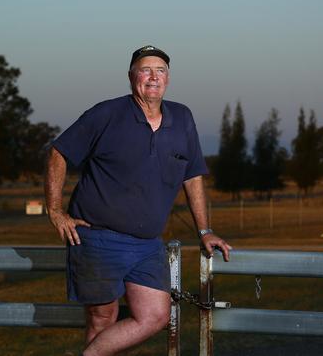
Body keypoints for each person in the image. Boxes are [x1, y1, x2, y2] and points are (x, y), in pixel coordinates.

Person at [45, 45, 232, 356]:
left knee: (155, 316)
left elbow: (193, 176)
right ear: (131, 76)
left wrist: (204, 231)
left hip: (147, 245)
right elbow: (58, 152)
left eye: (159, 71)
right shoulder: (107, 114)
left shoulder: (182, 118)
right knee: (102, 317)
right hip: (98, 237)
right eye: (145, 70)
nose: (153, 76)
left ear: (168, 79)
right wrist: (54, 211)